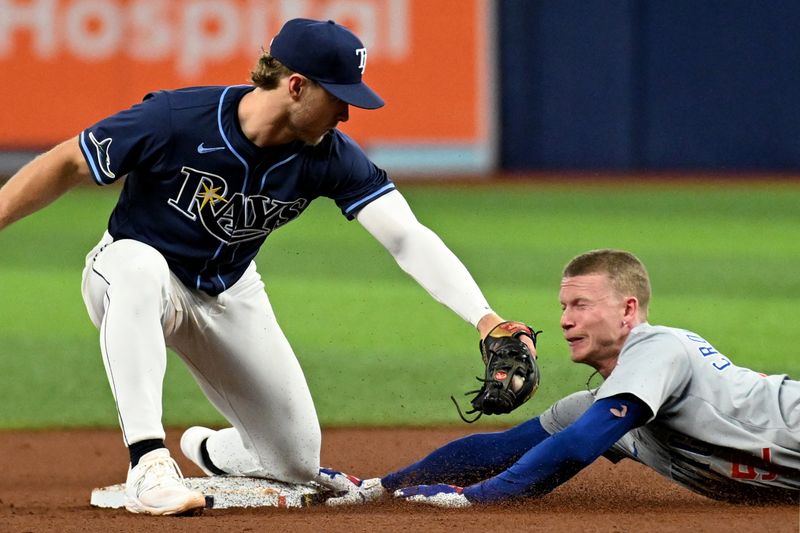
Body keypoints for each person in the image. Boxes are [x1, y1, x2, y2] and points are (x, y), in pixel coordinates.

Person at [0, 18, 535, 516]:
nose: (347, 115)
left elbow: (405, 236)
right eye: (339, 98)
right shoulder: (177, 119)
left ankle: (210, 450)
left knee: (296, 463)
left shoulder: (329, 154)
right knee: (138, 263)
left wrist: (485, 318)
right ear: (297, 86)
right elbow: (69, 160)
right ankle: (148, 462)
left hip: (229, 291)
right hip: (131, 275)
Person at [322, 249, 799, 507]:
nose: (566, 321)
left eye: (581, 305)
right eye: (563, 307)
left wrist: (473, 499)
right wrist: (382, 487)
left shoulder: (659, 348)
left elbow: (574, 447)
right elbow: (504, 451)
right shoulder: (604, 405)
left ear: (628, 310)